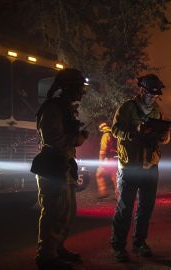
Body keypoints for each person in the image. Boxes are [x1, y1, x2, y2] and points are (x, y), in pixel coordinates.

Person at [32, 68, 89, 270]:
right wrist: (77, 139)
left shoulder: (65, 108)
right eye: (80, 88)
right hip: (52, 167)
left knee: (67, 211)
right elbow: (52, 140)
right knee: (54, 211)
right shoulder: (52, 109)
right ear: (69, 87)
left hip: (63, 167)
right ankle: (46, 256)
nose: (82, 92)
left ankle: (57, 248)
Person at [110, 74, 170, 262]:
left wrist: (163, 135)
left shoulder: (157, 111)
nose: (153, 98)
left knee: (146, 208)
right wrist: (135, 131)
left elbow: (164, 139)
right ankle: (118, 246)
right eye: (150, 95)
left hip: (151, 166)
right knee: (125, 208)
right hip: (130, 167)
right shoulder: (127, 108)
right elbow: (115, 130)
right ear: (142, 91)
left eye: (156, 96)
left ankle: (139, 243)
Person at [95, 122, 118, 199]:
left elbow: (103, 150)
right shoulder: (114, 134)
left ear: (101, 129)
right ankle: (118, 195)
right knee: (115, 177)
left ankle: (103, 192)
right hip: (116, 159)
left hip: (108, 159)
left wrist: (100, 162)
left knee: (99, 174)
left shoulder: (105, 135)